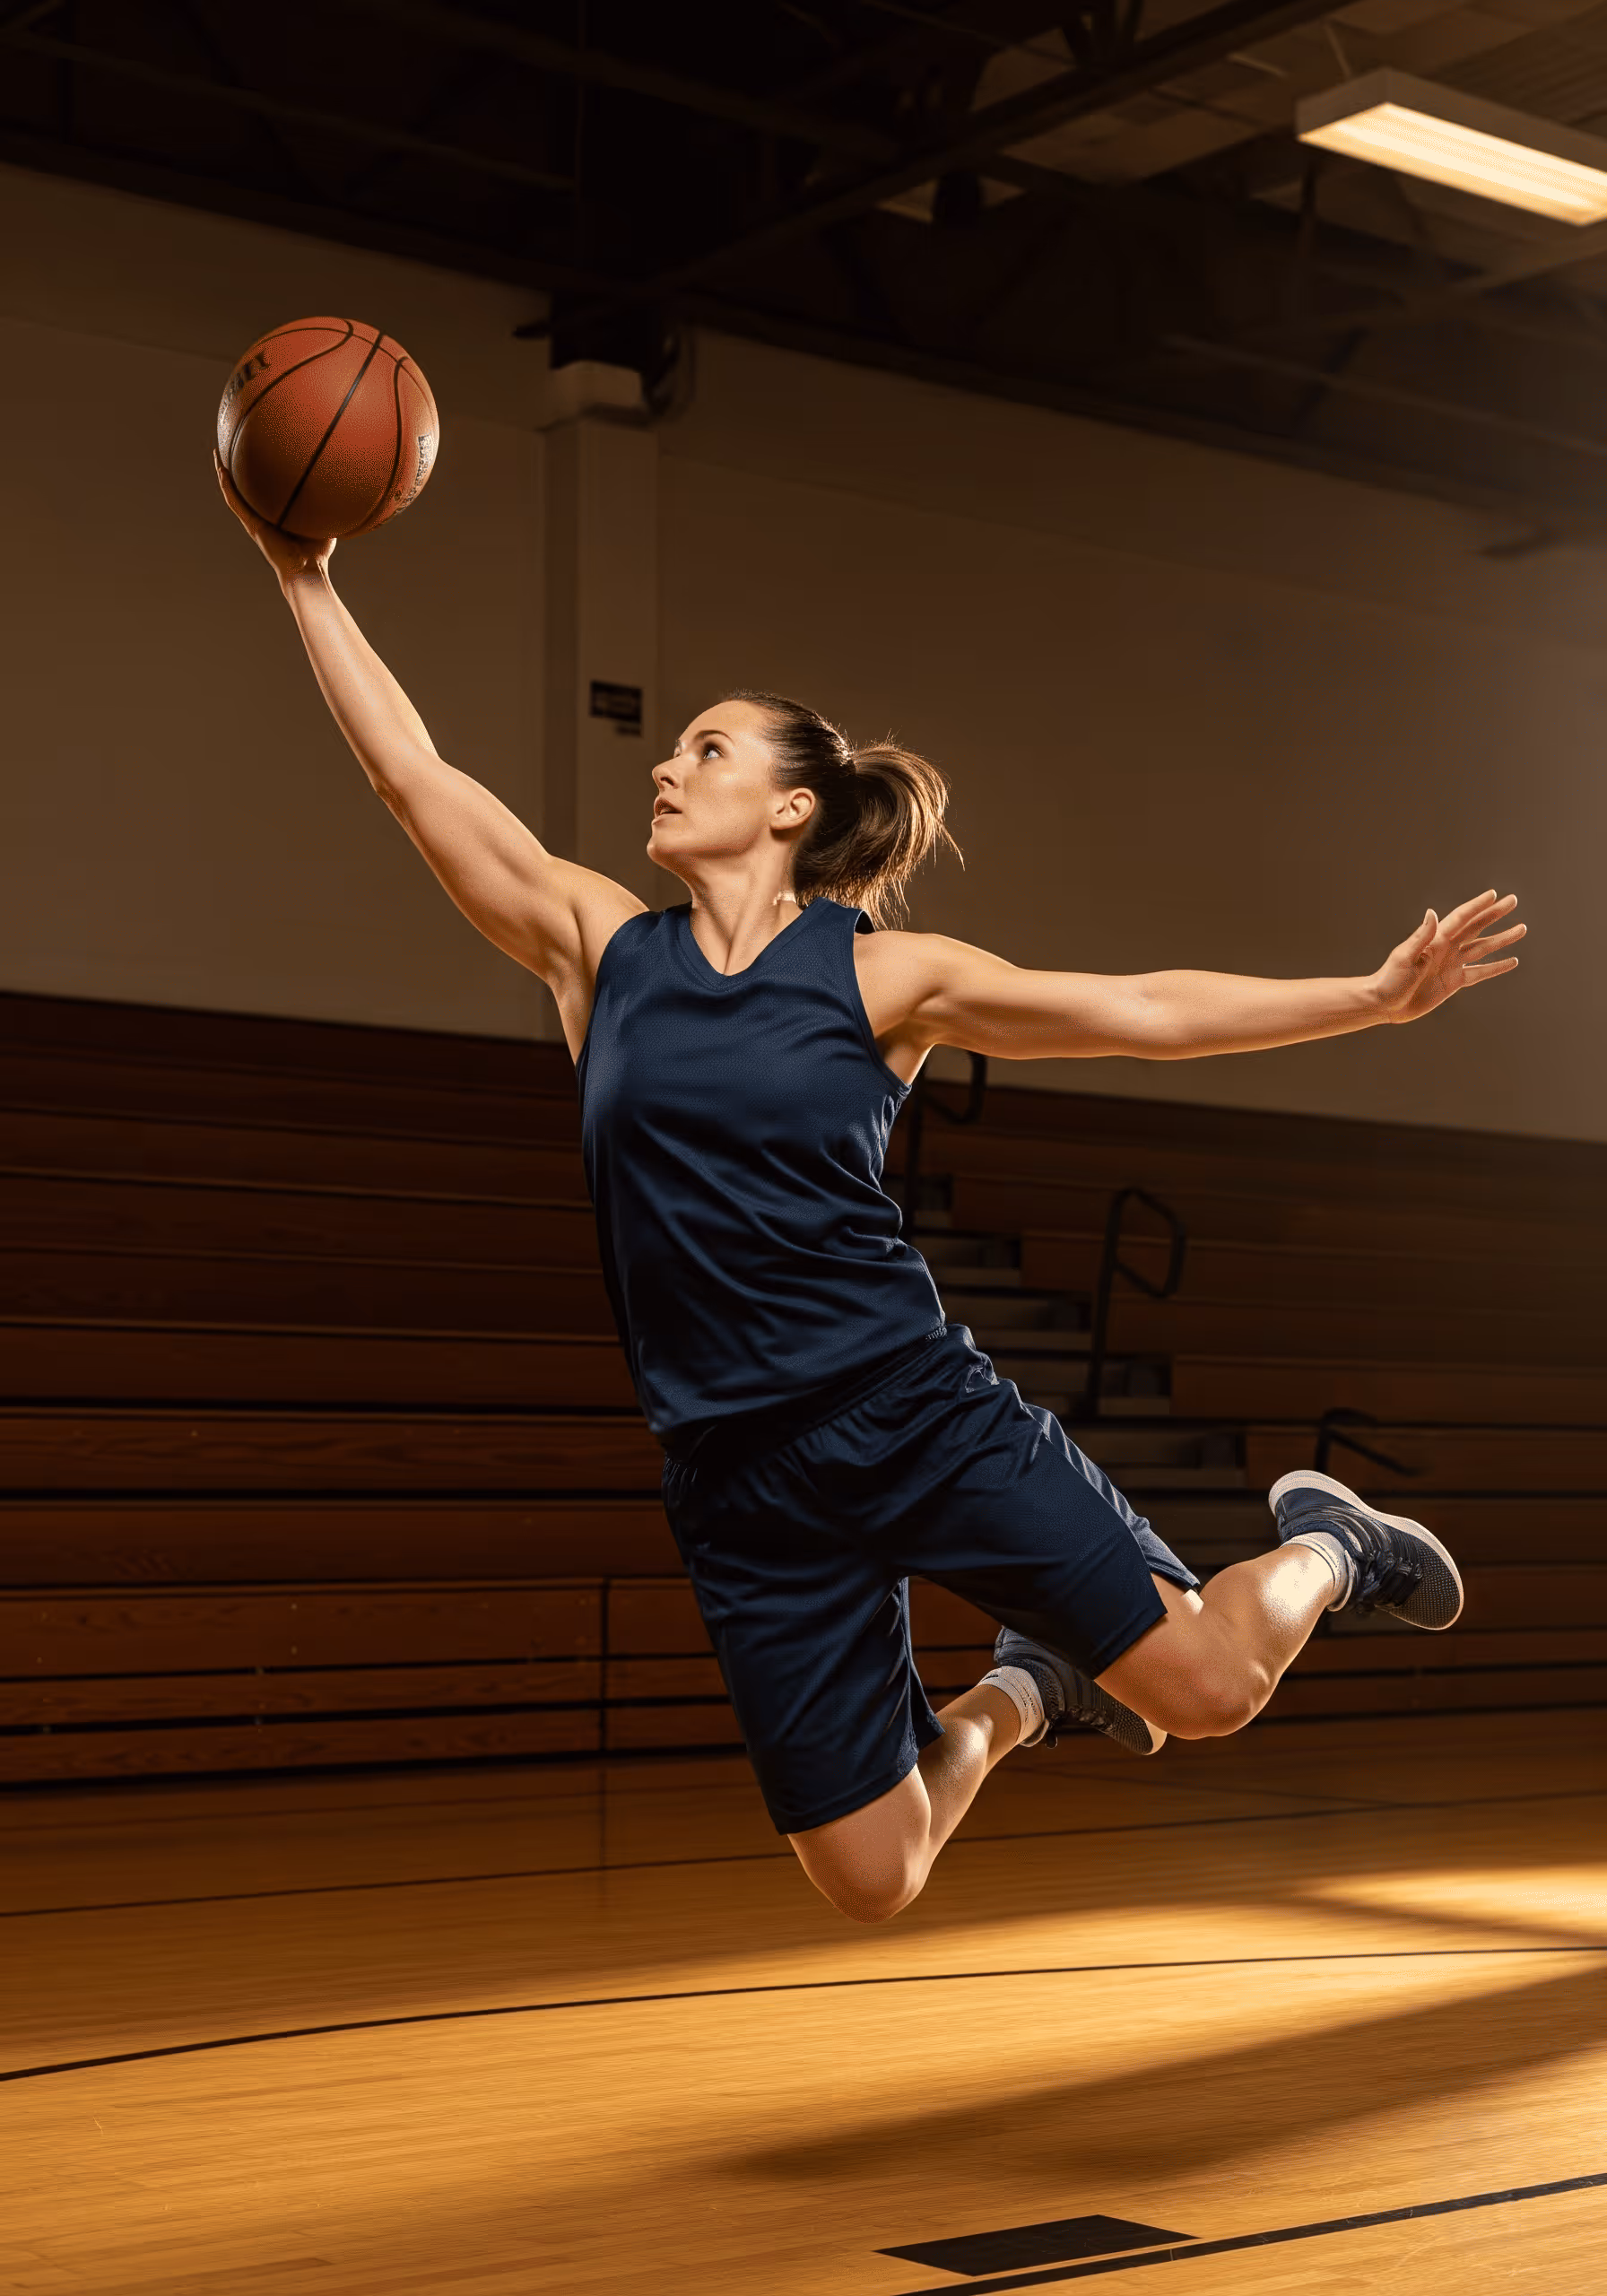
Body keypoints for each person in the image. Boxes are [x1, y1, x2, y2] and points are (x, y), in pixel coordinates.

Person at [216, 463, 1524, 1926]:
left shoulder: (878, 973)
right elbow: (415, 776)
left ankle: (1330, 1543)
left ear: (787, 805)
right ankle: (1028, 1691)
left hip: (903, 1412)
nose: (666, 766)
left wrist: (1370, 996)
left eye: (703, 749)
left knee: (1212, 1692)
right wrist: (305, 573)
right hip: (735, 1475)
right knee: (874, 1875)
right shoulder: (599, 949)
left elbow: (1141, 1006)